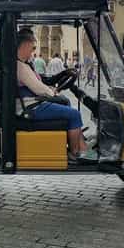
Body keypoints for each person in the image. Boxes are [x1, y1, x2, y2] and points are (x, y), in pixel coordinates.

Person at [15, 30, 91, 163]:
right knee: (74, 114)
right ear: (25, 45)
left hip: (30, 103)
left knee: (67, 106)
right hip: (30, 107)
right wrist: (53, 92)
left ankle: (80, 144)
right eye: (32, 47)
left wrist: (57, 81)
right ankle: (75, 153)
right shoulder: (20, 66)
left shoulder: (23, 64)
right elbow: (38, 88)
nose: (32, 51)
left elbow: (40, 82)